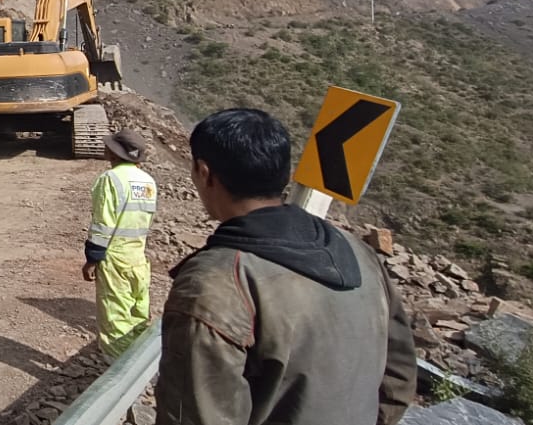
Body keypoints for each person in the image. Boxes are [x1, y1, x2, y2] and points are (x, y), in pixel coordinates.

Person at [155, 108, 416, 425]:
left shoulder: (215, 283)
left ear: (204, 172)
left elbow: (195, 415)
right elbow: (398, 378)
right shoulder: (358, 251)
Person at [82, 128, 158, 358]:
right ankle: (138, 354)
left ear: (115, 154)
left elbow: (103, 224)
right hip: (138, 255)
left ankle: (116, 366)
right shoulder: (147, 181)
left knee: (114, 311)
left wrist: (93, 259)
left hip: (114, 257)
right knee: (137, 306)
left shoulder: (110, 180)